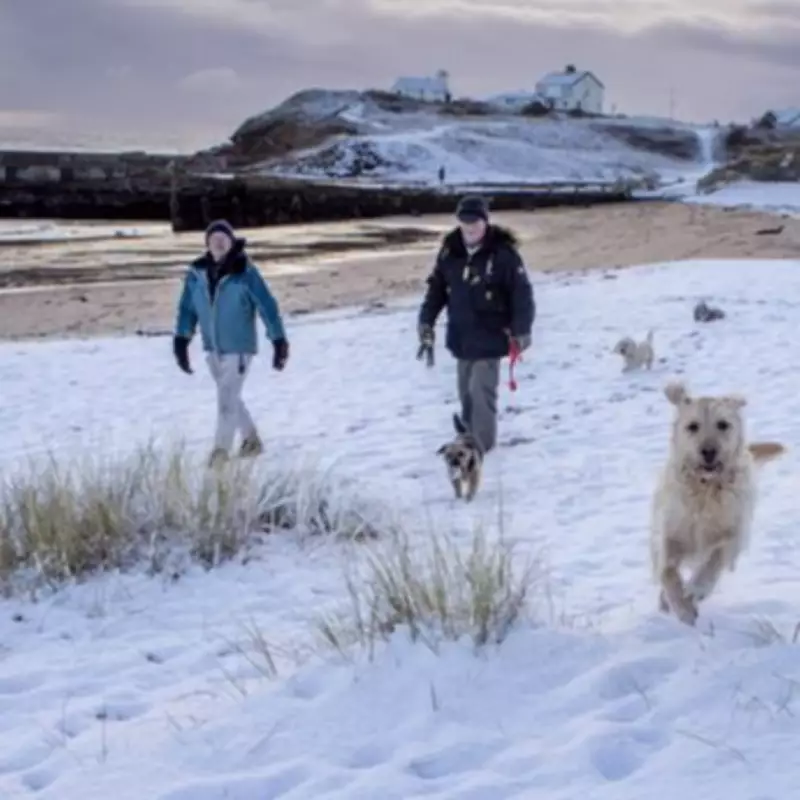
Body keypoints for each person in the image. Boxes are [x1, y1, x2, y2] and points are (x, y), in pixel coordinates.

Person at [417, 195, 535, 454]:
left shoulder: (504, 254)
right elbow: (436, 290)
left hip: (492, 335)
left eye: (475, 222)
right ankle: (469, 435)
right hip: (462, 336)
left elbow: (522, 294)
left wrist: (522, 330)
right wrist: (426, 322)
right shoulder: (450, 252)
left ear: (485, 222)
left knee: (482, 392)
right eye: (464, 222)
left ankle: (480, 446)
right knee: (466, 393)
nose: (469, 228)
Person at [172, 219, 289, 467]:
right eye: (214, 238)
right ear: (207, 244)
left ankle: (220, 454)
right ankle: (251, 440)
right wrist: (181, 340)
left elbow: (267, 306)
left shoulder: (245, 272)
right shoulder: (196, 274)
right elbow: (187, 309)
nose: (218, 242)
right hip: (213, 348)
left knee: (225, 400)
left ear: (231, 242)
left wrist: (278, 340)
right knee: (231, 399)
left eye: (223, 238)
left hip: (239, 348)